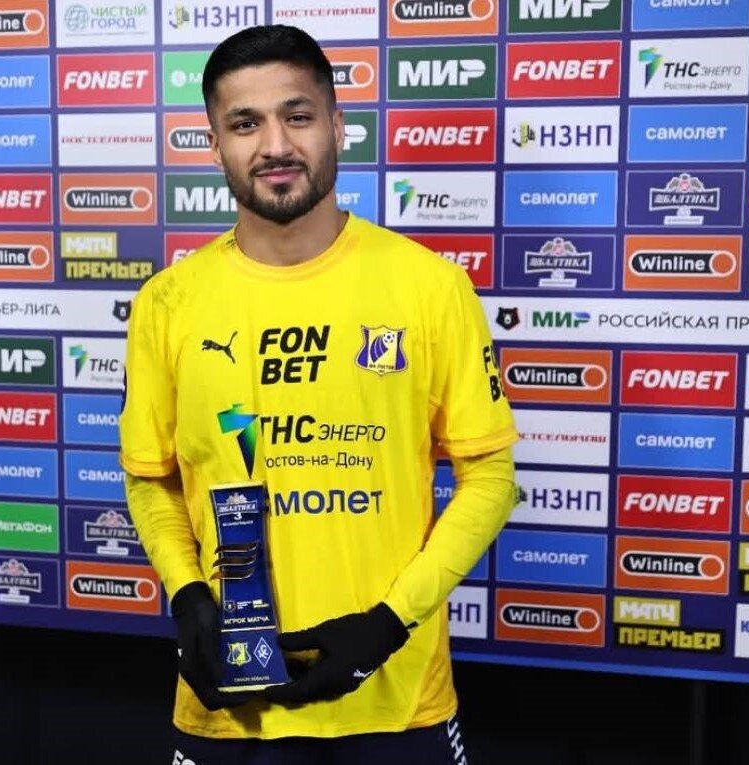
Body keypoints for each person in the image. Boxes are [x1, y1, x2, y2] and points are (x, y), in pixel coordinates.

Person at [119, 24, 517, 764]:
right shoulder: (167, 304)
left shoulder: (431, 288)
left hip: (397, 703)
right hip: (232, 711)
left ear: (337, 125)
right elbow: (152, 479)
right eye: (245, 123)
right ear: (214, 144)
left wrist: (390, 623)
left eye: (297, 116)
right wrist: (187, 596)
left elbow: (490, 477)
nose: (275, 145)